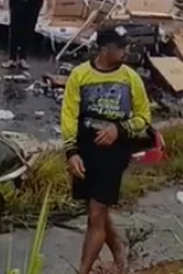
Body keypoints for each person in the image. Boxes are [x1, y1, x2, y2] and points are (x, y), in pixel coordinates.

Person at [61, 26, 151, 274]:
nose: (125, 50)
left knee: (95, 214)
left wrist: (118, 130)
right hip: (86, 150)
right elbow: (69, 116)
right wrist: (71, 152)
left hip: (115, 152)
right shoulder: (80, 76)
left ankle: (83, 270)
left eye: (126, 45)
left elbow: (144, 118)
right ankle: (120, 256)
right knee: (96, 209)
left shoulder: (130, 78)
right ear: (104, 49)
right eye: (120, 46)